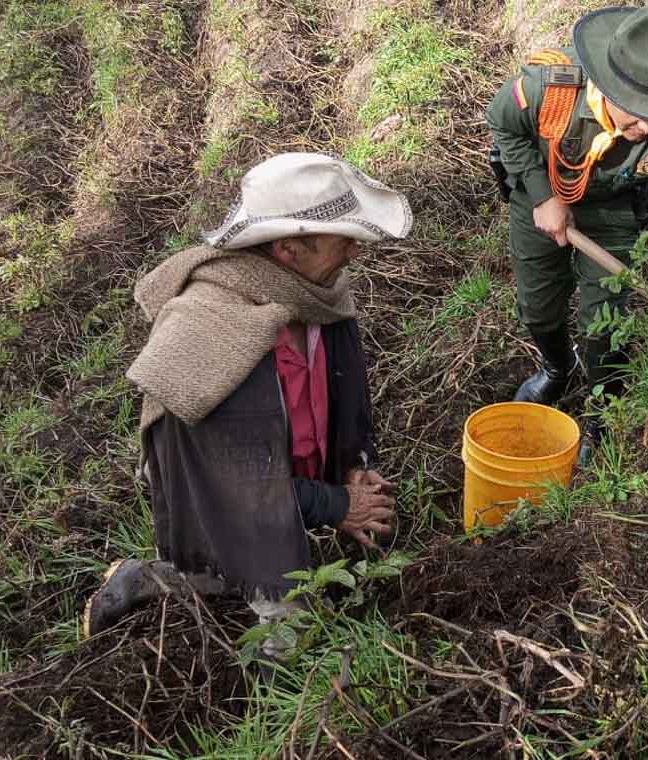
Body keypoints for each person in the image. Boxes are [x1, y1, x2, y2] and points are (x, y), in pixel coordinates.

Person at [82, 153, 413, 656]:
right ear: (288, 249)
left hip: (286, 478)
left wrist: (353, 467)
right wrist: (337, 506)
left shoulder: (317, 293)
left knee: (277, 564)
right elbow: (234, 487)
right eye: (341, 239)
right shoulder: (211, 330)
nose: (353, 251)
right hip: (216, 490)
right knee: (290, 627)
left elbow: (347, 394)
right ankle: (262, 711)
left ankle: (173, 575)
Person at [487, 5, 648, 463]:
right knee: (538, 307)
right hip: (539, 200)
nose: (647, 129)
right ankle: (557, 368)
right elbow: (504, 125)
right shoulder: (550, 84)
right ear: (607, 83)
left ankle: (601, 412)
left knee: (607, 323)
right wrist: (543, 196)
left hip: (614, 209)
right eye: (639, 113)